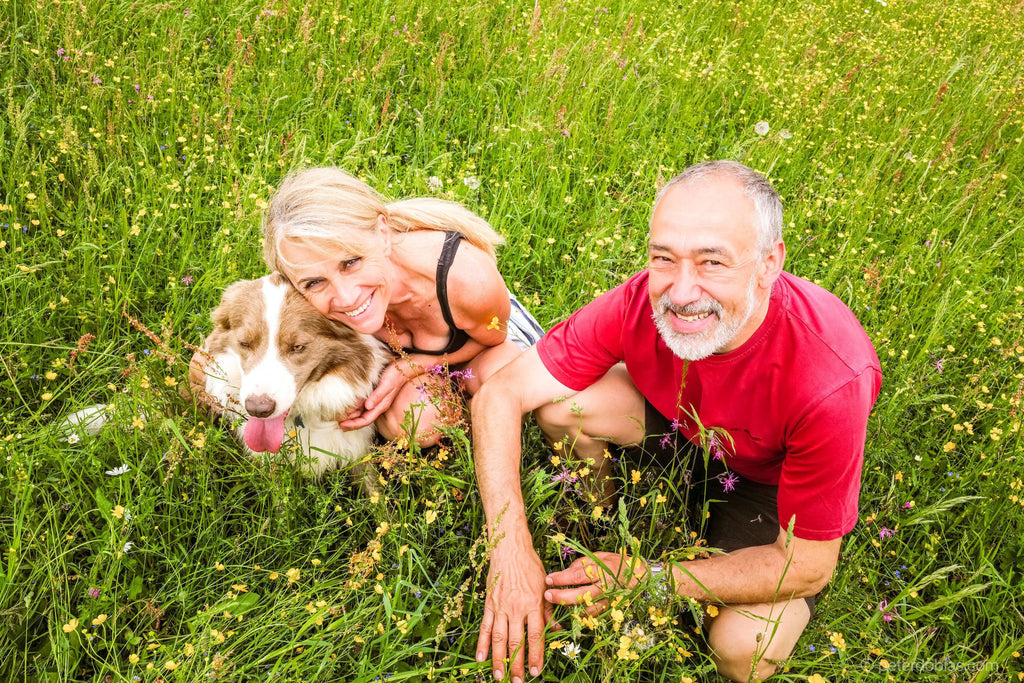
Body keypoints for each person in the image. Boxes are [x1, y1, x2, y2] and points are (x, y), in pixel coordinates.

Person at [470, 160, 881, 682]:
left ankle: (630, 560)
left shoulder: (830, 379)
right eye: (664, 257)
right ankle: (598, 516)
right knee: (561, 406)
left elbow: (806, 566)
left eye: (712, 262)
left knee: (743, 648)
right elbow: (501, 393)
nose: (681, 292)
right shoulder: (639, 298)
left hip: (766, 488)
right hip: (683, 429)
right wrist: (509, 552)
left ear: (769, 263)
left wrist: (649, 578)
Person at [195, 167, 544, 446]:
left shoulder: (468, 279)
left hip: (480, 344)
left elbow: (492, 338)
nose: (347, 298)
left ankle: (475, 423)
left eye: (351, 262)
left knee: (501, 387)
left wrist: (410, 368)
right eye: (314, 282)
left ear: (381, 232)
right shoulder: (304, 293)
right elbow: (258, 322)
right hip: (404, 358)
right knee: (410, 422)